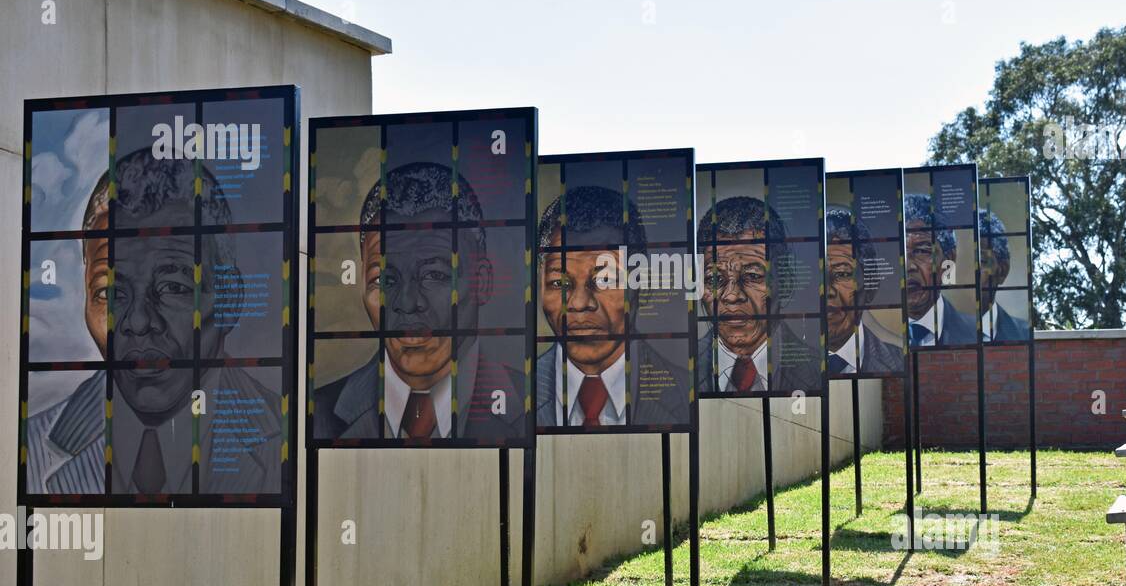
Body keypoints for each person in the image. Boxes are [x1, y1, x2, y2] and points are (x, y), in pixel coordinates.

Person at [26, 148, 282, 495]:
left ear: (229, 300)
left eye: (173, 287)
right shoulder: (33, 447)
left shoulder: (284, 434)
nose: (139, 321)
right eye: (110, 293)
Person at [313, 162, 526, 441]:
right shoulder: (318, 414)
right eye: (385, 280)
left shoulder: (533, 406)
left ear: (481, 282)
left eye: (434, 275)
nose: (408, 302)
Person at [535, 184, 689, 427]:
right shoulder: (513, 394)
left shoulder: (686, 392)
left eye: (605, 280)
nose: (578, 303)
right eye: (559, 283)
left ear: (641, 284)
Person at [696, 195, 820, 394]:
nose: (732, 296)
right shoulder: (677, 374)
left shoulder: (820, 369)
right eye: (714, 279)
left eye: (752, 276)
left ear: (785, 282)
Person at [826, 205, 904, 375]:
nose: (826, 290)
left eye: (842, 273)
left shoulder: (899, 364)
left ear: (870, 286)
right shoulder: (778, 365)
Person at [903, 193, 979, 347]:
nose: (908, 266)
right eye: (900, 253)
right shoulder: (872, 342)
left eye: (921, 251)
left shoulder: (976, 334)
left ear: (948, 260)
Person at [978, 209, 1032, 342]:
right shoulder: (930, 334)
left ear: (1002, 271)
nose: (969, 272)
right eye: (963, 260)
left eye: (982, 261)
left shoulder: (1024, 334)